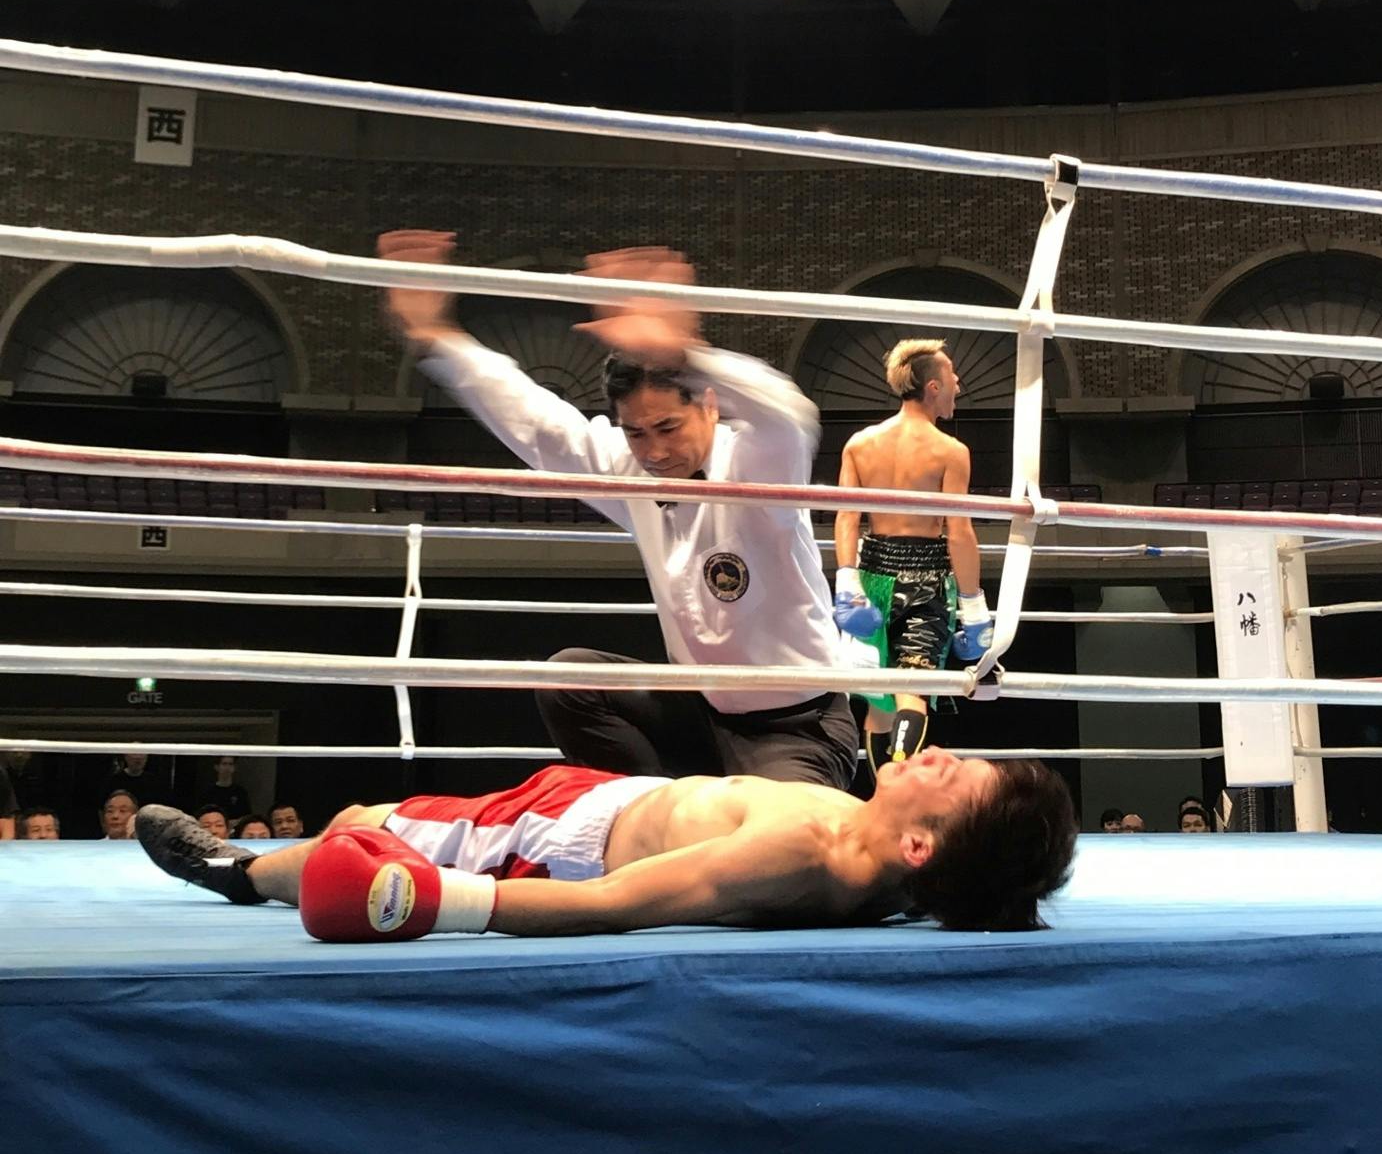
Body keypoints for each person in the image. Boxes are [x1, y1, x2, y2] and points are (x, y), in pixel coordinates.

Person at [379, 235, 856, 788]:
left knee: (775, 837)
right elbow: (538, 423)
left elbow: (789, 418)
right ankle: (648, 809)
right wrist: (438, 336)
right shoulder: (628, 468)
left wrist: (684, 354)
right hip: (702, 719)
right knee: (571, 679)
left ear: (708, 406)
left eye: (668, 427)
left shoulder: (755, 467)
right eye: (636, 432)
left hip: (798, 727)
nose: (654, 451)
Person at [135, 749, 1077, 939]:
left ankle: (239, 873)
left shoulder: (806, 856)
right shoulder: (896, 872)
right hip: (606, 797)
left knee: (356, 831)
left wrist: (442, 903)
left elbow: (611, 905)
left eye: (955, 778)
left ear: (920, 847)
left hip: (561, 841)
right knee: (374, 815)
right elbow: (974, 887)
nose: (939, 755)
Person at [832, 339, 989, 770]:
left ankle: (884, 793)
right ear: (933, 387)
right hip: (926, 580)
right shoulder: (950, 451)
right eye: (952, 374)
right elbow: (959, 532)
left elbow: (847, 518)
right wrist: (975, 608)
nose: (959, 383)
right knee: (912, 690)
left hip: (872, 576)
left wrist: (847, 582)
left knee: (879, 702)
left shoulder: (860, 443)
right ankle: (902, 785)